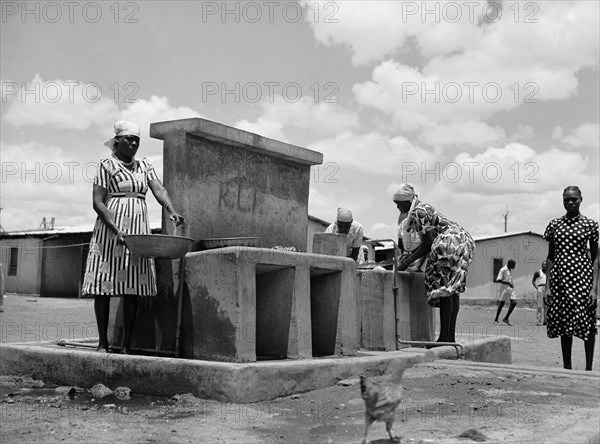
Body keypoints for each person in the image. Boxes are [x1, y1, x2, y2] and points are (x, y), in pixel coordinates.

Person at [82, 121, 184, 354]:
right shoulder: (106, 164)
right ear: (117, 141)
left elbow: (158, 189)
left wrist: (171, 210)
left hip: (138, 228)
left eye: (137, 140)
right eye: (129, 139)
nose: (134, 143)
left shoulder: (144, 165)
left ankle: (126, 344)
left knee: (133, 284)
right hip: (110, 230)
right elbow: (98, 202)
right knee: (103, 283)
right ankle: (103, 343)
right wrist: (116, 229)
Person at [394, 183, 475, 344]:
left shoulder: (418, 212)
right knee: (452, 289)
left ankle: (444, 337)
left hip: (448, 241)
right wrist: (416, 264)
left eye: (398, 203)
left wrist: (404, 264)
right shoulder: (424, 207)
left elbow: (427, 244)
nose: (397, 207)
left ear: (407, 201)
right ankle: (449, 337)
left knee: (443, 289)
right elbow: (430, 244)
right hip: (462, 239)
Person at [543, 186, 598, 371]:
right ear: (563, 201)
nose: (570, 202)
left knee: (587, 323)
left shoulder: (590, 225)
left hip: (583, 280)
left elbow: (596, 259)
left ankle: (589, 369)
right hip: (559, 281)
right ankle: (567, 368)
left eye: (574, 199)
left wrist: (594, 288)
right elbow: (550, 257)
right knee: (565, 323)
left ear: (581, 199)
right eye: (567, 199)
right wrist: (548, 286)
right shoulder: (554, 225)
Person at [494, 260, 517, 326]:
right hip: (504, 289)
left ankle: (506, 318)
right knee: (501, 304)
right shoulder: (503, 269)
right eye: (513, 265)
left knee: (514, 303)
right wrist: (508, 283)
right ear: (509, 264)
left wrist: (511, 284)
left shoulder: (509, 269)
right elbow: (498, 280)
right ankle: (496, 319)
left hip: (510, 289)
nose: (514, 267)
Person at [532, 261, 547, 326]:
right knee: (539, 306)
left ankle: (546, 321)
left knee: (547, 306)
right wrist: (537, 287)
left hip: (546, 289)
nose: (544, 265)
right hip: (540, 288)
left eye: (545, 264)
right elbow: (533, 281)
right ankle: (538, 321)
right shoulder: (538, 272)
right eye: (543, 264)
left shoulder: (549, 273)